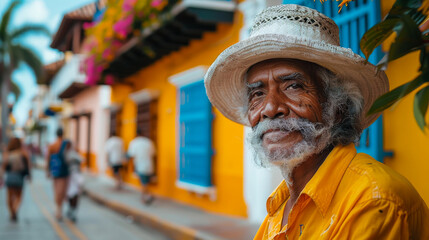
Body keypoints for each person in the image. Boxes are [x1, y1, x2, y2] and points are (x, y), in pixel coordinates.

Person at [204, 4, 429, 239]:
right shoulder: (282, 203)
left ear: (338, 107)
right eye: (257, 94)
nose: (270, 109)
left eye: (293, 86)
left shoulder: (372, 200)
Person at [1, 137, 31, 222]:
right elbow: (28, 166)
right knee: (19, 196)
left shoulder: (7, 153)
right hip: (19, 176)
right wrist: (29, 176)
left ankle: (12, 212)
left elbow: (3, 166)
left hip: (10, 176)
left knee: (9, 197)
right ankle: (15, 209)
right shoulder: (24, 153)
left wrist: (1, 176)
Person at [46, 128, 69, 220]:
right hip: (63, 169)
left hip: (54, 169)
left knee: (56, 190)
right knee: (61, 191)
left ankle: (57, 209)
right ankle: (59, 210)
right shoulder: (66, 144)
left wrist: (47, 170)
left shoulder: (52, 145)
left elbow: (48, 158)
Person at [127, 129, 155, 204]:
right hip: (149, 165)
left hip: (140, 166)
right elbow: (153, 153)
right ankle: (146, 196)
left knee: (143, 183)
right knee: (145, 182)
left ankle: (146, 196)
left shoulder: (134, 143)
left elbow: (131, 154)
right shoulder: (149, 142)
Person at [64, 141, 83, 222]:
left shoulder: (73, 154)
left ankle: (73, 211)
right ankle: (71, 210)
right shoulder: (66, 154)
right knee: (71, 195)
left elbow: (81, 160)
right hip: (69, 178)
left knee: (75, 195)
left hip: (75, 177)